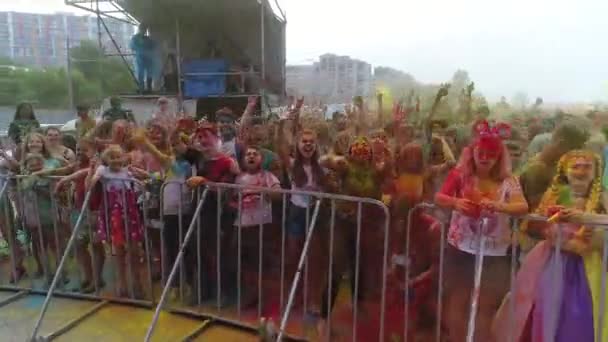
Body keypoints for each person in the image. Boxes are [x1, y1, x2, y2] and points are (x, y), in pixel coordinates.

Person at [495, 150, 607, 341]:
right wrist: (561, 238)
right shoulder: (555, 195)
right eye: (575, 167)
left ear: (596, 171)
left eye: (587, 167)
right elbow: (541, 224)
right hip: (553, 261)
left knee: (586, 311)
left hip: (589, 264)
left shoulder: (601, 197)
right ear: (565, 171)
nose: (581, 171)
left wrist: (588, 222)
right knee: (546, 306)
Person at [435, 120, 528, 342]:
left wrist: (499, 206)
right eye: (481, 153)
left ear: (499, 158)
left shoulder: (509, 180)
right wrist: (456, 203)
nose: (485, 158)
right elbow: (439, 197)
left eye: (491, 154)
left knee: (485, 308)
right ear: (472, 152)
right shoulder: (460, 175)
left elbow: (523, 207)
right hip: (460, 250)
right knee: (457, 303)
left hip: (494, 255)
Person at [87, 145, 144, 298]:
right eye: (111, 157)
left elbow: (143, 180)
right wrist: (93, 171)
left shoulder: (127, 171)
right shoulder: (103, 171)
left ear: (124, 157)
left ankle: (136, 283)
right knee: (118, 250)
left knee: (133, 250)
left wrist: (142, 176)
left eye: (118, 156)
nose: (116, 160)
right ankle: (122, 284)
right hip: (114, 213)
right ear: (106, 159)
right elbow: (91, 184)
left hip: (130, 213)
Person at [232, 145, 281, 307]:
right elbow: (232, 198)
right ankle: (249, 291)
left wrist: (265, 191)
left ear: (261, 158)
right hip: (242, 224)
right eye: (248, 154)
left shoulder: (267, 176)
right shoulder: (239, 178)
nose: (251, 156)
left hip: (261, 225)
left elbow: (278, 193)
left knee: (260, 261)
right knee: (244, 261)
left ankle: (261, 293)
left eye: (255, 154)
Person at [130, 24, 158, 93]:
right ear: (139, 29)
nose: (144, 31)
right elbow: (132, 47)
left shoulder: (148, 39)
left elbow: (154, 46)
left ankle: (149, 88)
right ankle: (141, 89)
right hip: (140, 57)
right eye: (143, 29)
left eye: (145, 29)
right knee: (140, 73)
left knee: (149, 73)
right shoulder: (135, 38)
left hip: (148, 58)